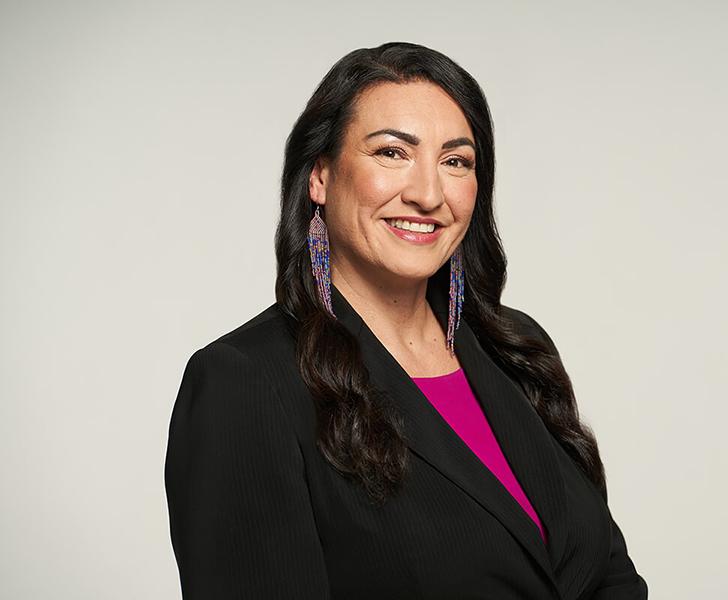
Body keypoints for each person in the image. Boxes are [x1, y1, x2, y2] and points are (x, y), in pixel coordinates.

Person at [164, 41, 649, 599]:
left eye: (455, 161)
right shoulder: (246, 382)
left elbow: (608, 574)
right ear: (319, 175)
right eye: (392, 153)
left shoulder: (515, 350)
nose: (427, 194)